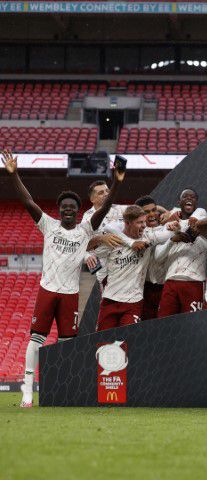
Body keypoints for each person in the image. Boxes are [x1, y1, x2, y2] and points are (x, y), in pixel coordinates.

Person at [2, 149, 122, 408]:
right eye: (65, 207)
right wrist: (14, 176)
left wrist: (117, 184)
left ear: (78, 211)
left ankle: (69, 389)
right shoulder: (49, 225)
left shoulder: (84, 230)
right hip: (48, 290)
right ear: (60, 210)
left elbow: (107, 207)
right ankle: (27, 390)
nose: (68, 210)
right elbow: (28, 202)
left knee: (68, 343)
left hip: (70, 294)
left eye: (72, 207)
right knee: (36, 339)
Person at [95, 206, 174, 331]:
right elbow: (89, 250)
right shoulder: (113, 240)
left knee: (127, 342)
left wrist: (173, 225)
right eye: (140, 222)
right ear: (127, 223)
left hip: (134, 302)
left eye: (144, 222)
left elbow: (170, 233)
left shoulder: (148, 237)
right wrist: (99, 239)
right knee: (104, 344)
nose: (144, 225)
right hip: (110, 299)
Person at [155, 188, 207, 317]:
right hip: (171, 282)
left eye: (193, 197)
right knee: (164, 326)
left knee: (192, 327)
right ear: (179, 202)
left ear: (197, 203)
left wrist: (198, 215)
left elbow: (203, 212)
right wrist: (172, 240)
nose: (189, 198)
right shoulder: (168, 226)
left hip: (194, 282)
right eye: (185, 197)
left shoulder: (205, 225)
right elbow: (157, 257)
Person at [135, 196, 167, 320]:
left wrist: (165, 212)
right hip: (144, 288)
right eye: (147, 212)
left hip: (165, 287)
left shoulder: (168, 226)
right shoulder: (136, 232)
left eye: (154, 210)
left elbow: (175, 212)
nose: (152, 214)